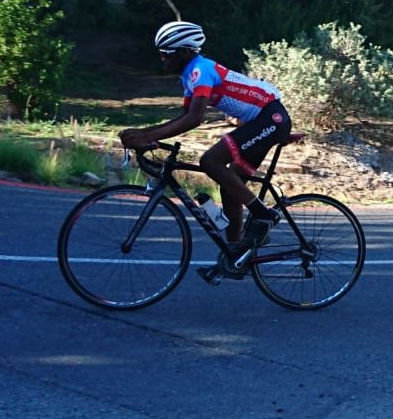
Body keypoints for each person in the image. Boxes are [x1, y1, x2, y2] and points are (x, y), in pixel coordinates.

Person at [117, 21, 291, 281]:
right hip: (262, 121)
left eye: (167, 53)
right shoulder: (189, 75)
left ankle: (263, 214)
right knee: (230, 187)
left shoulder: (201, 70)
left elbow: (194, 119)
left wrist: (147, 136)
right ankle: (236, 257)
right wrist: (145, 134)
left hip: (270, 118)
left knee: (210, 161)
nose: (162, 59)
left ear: (185, 52)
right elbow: (184, 115)